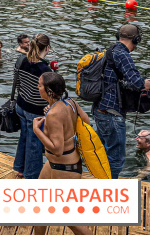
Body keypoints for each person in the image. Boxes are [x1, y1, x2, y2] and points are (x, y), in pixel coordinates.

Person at [32, 72, 92, 235]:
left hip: (64, 168)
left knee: (67, 217)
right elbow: (86, 121)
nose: (37, 88)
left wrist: (37, 130)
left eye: (39, 85)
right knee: (39, 205)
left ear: (49, 91)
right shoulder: (70, 103)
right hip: (58, 164)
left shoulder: (53, 114)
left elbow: (57, 149)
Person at [93, 23, 150, 178]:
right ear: (136, 39)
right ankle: (109, 193)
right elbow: (136, 82)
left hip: (100, 109)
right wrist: (146, 83)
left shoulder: (110, 50)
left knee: (102, 154)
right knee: (116, 159)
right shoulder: (123, 55)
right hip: (112, 113)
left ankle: (101, 185)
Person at [12, 33, 53, 179]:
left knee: (24, 137)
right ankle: (32, 175)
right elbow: (52, 94)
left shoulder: (22, 60)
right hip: (36, 110)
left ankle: (20, 168)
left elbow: (17, 82)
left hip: (21, 104)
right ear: (47, 48)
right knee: (34, 143)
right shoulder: (45, 70)